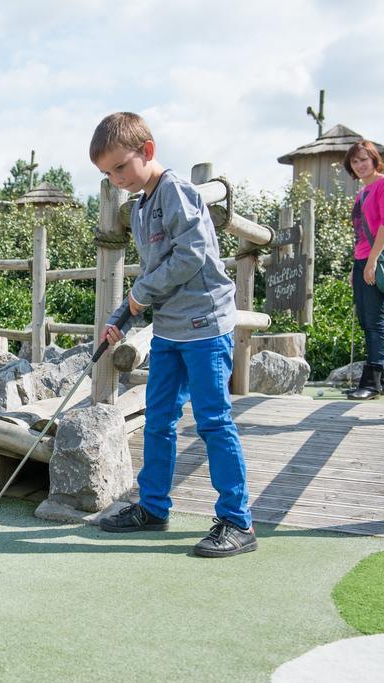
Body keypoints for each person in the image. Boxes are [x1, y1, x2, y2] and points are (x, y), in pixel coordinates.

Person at [89, 112, 256, 558]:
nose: (117, 179)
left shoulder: (176, 191)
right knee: (159, 419)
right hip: (170, 331)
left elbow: (190, 255)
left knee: (213, 421)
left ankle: (237, 521)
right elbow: (154, 272)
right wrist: (124, 313)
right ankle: (153, 507)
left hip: (204, 327)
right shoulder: (142, 206)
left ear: (147, 151)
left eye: (121, 167)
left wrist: (140, 294)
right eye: (108, 174)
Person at [343, 140, 384, 400]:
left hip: (380, 256)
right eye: (354, 162)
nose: (359, 165)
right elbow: (361, 232)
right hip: (363, 258)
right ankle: (379, 381)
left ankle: (372, 383)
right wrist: (356, 265)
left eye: (364, 159)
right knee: (366, 320)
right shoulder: (362, 192)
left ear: (375, 160)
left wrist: (372, 260)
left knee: (374, 320)